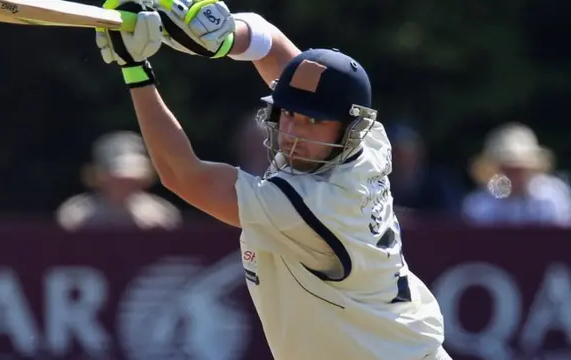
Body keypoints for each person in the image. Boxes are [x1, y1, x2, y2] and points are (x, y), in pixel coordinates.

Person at [94, 0, 449, 359]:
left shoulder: (310, 206)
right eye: (289, 114)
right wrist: (225, 35)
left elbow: (183, 175)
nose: (294, 132)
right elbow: (276, 48)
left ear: (349, 128)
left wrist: (136, 70)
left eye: (313, 122)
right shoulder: (368, 142)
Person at [56, 131, 181, 231]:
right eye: (118, 178)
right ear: (101, 176)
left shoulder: (162, 215)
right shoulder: (75, 215)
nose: (125, 183)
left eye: (132, 178)